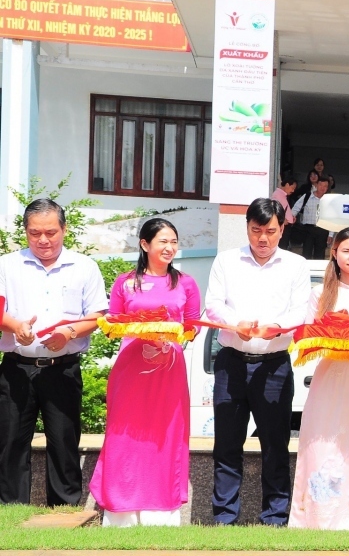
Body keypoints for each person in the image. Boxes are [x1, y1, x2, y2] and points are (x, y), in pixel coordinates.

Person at [204, 198, 311, 525]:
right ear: (247, 228)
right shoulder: (226, 261)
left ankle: (275, 519)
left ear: (282, 229)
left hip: (274, 365)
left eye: (270, 231)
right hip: (231, 363)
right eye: (255, 230)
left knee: (276, 446)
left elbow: (300, 311)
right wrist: (237, 324)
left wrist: (274, 328)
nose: (262, 239)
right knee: (227, 446)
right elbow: (213, 305)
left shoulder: (296, 265)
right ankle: (224, 520)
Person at [91, 218, 201, 526]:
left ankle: (162, 515)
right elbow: (111, 323)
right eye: (162, 241)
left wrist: (171, 334)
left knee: (166, 437)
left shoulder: (186, 283)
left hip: (169, 371)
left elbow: (192, 328)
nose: (169, 248)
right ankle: (120, 512)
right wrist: (143, 328)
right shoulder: (126, 282)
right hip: (131, 372)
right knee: (123, 437)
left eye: (173, 242)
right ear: (145, 244)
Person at [0, 199, 106, 506]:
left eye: (50, 232)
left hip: (62, 369)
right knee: (9, 446)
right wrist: (15, 325)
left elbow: (98, 315)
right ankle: (10, 516)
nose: (43, 240)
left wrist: (69, 333)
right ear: (25, 232)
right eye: (35, 233)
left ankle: (64, 518)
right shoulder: (8, 264)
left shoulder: (84, 266)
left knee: (63, 445)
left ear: (64, 229)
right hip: (16, 369)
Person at [289, 228, 349, 530]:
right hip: (328, 382)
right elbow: (306, 334)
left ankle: (347, 521)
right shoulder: (320, 294)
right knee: (319, 446)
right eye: (346, 250)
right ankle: (312, 520)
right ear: (334, 253)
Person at [296, 174, 331, 260]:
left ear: (327, 188)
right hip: (308, 229)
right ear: (316, 185)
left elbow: (331, 217)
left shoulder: (329, 200)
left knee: (319, 255)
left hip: (323, 230)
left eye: (325, 186)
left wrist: (331, 234)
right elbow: (296, 208)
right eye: (320, 185)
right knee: (306, 253)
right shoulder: (307, 196)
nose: (322, 188)